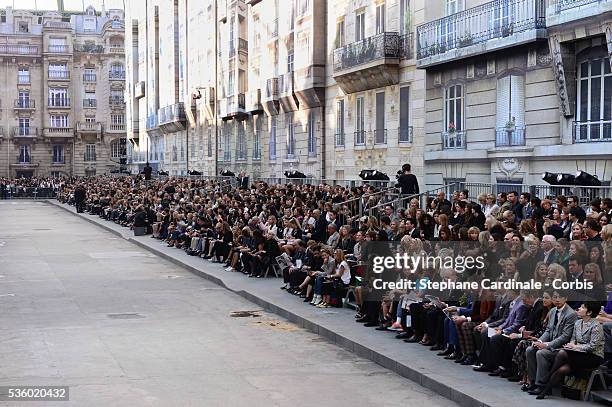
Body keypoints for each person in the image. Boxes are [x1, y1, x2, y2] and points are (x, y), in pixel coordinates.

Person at [534, 302, 604, 399]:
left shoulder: (597, 326)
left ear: (589, 312)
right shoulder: (578, 323)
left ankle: (547, 378)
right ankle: (545, 391)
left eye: (582, 307)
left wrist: (576, 347)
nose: (579, 308)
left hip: (593, 356)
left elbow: (593, 346)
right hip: (579, 354)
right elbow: (573, 339)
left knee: (562, 353)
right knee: (563, 368)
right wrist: (571, 345)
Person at [524, 290, 578, 395]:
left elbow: (565, 336)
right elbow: (548, 330)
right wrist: (539, 341)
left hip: (562, 348)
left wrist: (546, 345)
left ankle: (543, 386)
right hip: (550, 344)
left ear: (565, 298)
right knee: (530, 349)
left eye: (560, 297)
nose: (557, 300)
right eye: (555, 297)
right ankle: (533, 382)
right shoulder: (553, 311)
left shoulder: (571, 314)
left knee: (541, 353)